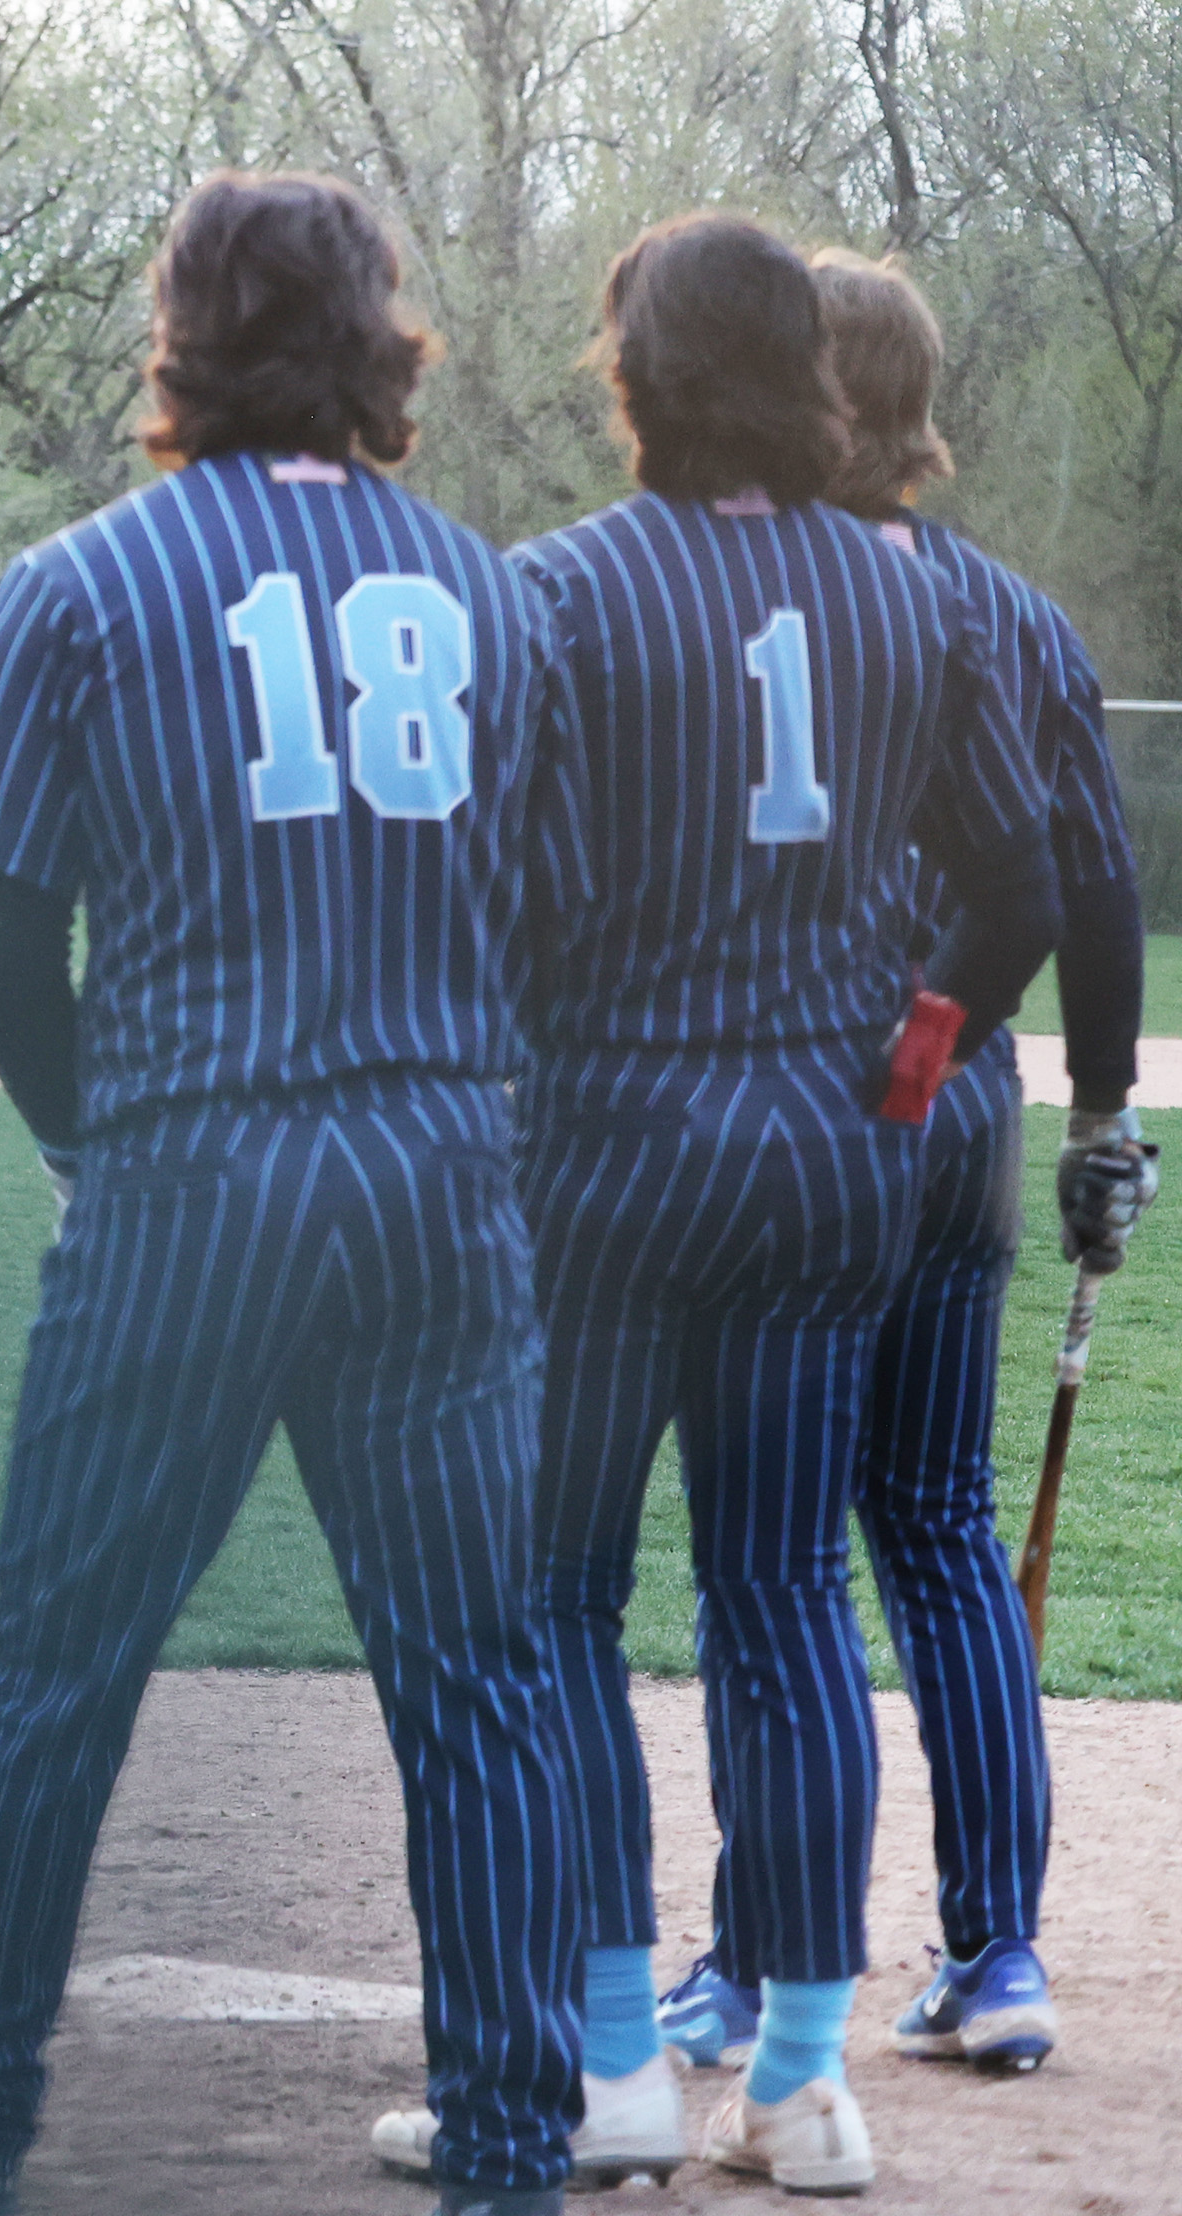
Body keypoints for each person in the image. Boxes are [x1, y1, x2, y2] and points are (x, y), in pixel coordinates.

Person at [0, 171, 591, 2216]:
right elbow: (553, 933)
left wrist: (85, 1146)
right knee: (482, 1690)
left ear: (178, 336)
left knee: (70, 1669)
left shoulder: (87, 584)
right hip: (435, 1174)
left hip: (192, 1176)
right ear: (377, 338)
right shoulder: (492, 592)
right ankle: (513, 2140)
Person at [500, 216, 1058, 2196]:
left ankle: (608, 2064)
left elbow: (495, 910)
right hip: (834, 1160)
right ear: (807, 376)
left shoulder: (556, 593)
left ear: (634, 374)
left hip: (607, 1156)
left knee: (556, 1602)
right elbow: (1023, 895)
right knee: (787, 1595)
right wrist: (906, 1064)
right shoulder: (922, 604)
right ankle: (806, 2084)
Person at [651, 248, 1155, 2084]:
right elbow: (1095, 895)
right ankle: (998, 1954)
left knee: (768, 1561)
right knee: (939, 1527)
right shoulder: (1014, 616)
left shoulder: (736, 591)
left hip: (811, 1108)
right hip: (961, 1115)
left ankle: (749, 1967)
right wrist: (1101, 1117)